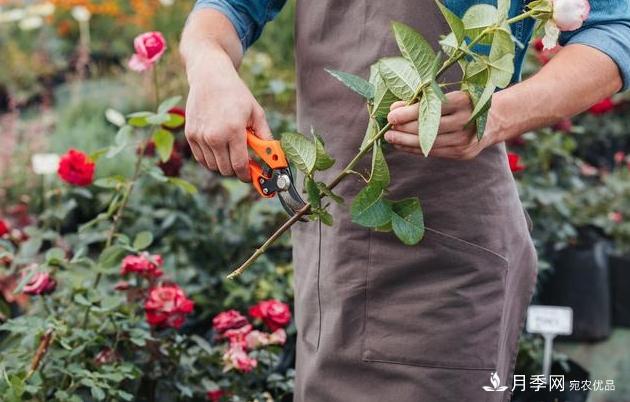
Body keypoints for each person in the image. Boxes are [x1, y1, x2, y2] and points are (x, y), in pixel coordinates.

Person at [180, 1, 630, 401]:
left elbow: (615, 27)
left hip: (443, 262)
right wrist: (208, 64)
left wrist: (496, 116)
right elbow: (230, 8)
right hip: (332, 250)